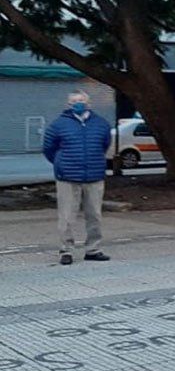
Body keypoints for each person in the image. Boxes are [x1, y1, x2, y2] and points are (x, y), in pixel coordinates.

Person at [43, 91, 112, 265]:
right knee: (67, 216)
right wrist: (61, 163)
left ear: (89, 102)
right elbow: (48, 148)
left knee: (95, 215)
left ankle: (93, 249)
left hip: (94, 176)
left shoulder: (101, 124)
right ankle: (66, 250)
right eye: (74, 101)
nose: (78, 103)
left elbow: (105, 144)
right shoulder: (58, 125)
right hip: (67, 176)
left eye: (81, 100)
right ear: (68, 104)